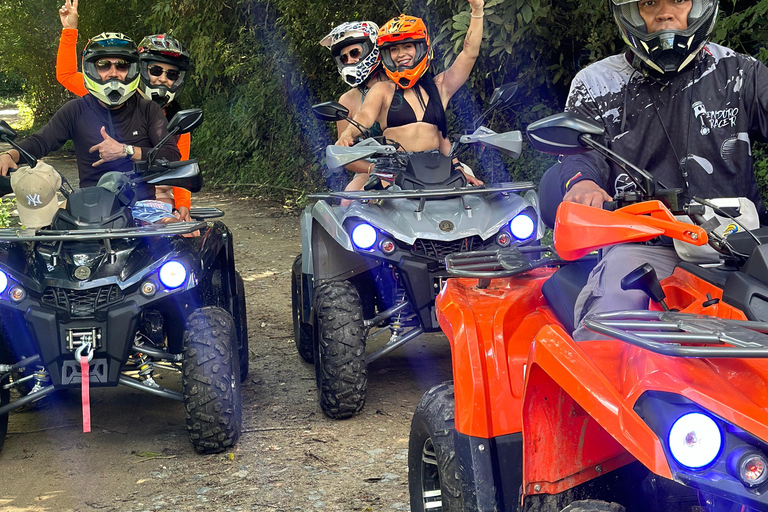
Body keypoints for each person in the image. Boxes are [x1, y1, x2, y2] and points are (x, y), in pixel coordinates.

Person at [555, 0, 768, 340]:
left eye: (679, 0)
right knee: (610, 321)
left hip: (745, 245)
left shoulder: (740, 71)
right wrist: (583, 185)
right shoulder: (596, 84)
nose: (665, 13)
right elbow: (580, 154)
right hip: (645, 245)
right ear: (629, 11)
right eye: (649, 2)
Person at [0, 32, 180, 224]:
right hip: (89, 210)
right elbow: (41, 141)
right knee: (45, 242)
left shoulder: (147, 109)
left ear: (132, 70)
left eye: (122, 66)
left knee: (176, 237)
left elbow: (171, 156)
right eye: (104, 66)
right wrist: (10, 155)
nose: (113, 73)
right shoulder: (76, 110)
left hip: (142, 208)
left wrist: (125, 151)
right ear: (91, 70)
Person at [56, 0, 193, 221]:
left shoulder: (177, 122)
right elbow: (66, 75)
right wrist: (69, 30)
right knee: (55, 224)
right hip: (104, 198)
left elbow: (180, 170)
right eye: (156, 70)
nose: (163, 79)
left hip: (156, 205)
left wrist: (184, 207)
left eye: (172, 75)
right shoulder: (107, 92)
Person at [335, 1, 485, 186]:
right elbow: (364, 116)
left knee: (476, 203)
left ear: (420, 48)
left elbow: (469, 53)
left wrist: (477, 10)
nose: (401, 54)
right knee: (358, 209)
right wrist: (348, 134)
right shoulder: (382, 90)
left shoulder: (439, 87)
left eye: (408, 46)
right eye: (394, 49)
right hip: (395, 175)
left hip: (440, 172)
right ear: (387, 55)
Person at [320, 21, 387, 193]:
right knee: (349, 199)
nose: (350, 60)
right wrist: (375, 171)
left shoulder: (399, 86)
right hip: (373, 170)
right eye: (344, 58)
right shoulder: (348, 100)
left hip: (417, 164)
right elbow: (345, 155)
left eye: (355, 52)